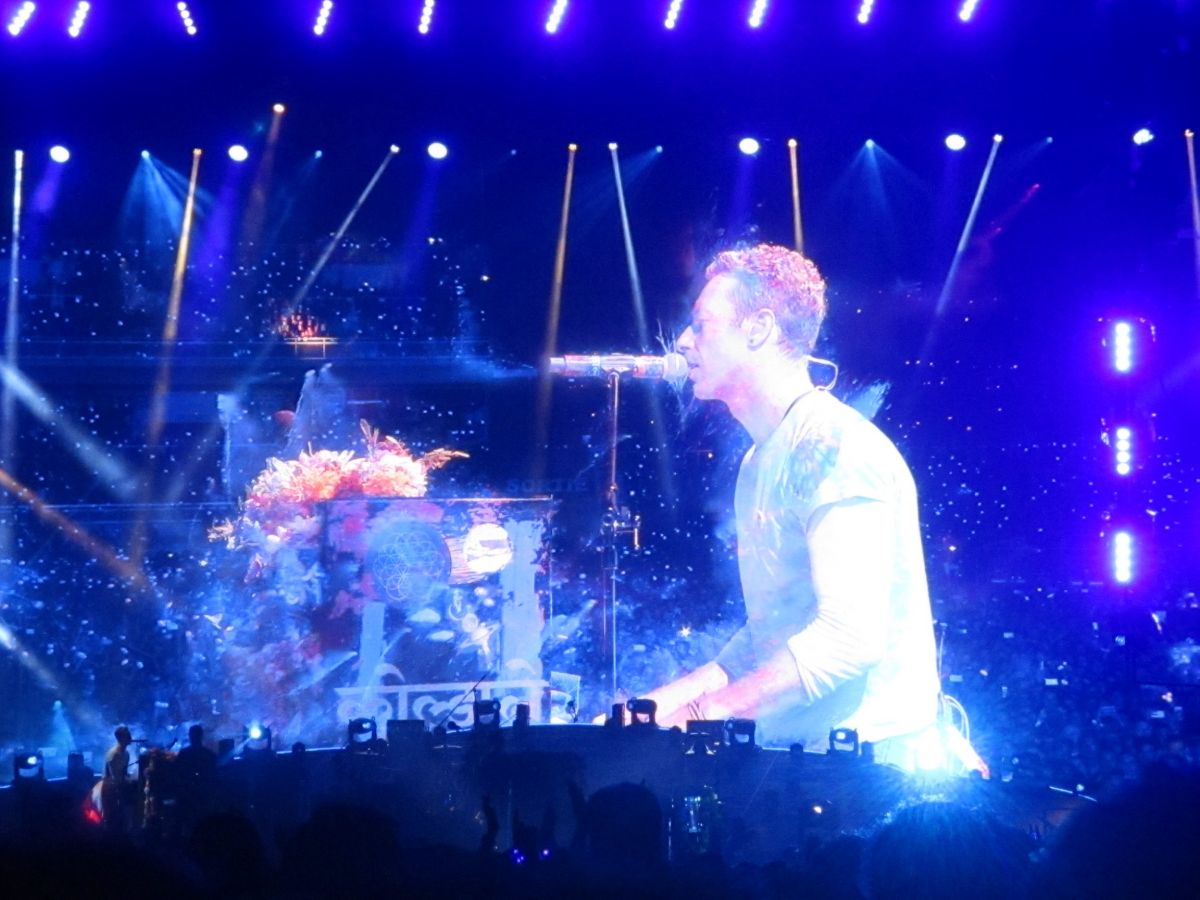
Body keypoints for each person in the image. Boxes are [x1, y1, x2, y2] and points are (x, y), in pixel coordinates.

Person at [645, 243, 941, 767]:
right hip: (813, 764)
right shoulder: (760, 459)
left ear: (758, 329)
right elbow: (768, 638)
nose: (685, 341)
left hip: (868, 773)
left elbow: (849, 640)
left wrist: (702, 716)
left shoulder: (834, 449)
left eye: (702, 325)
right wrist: (647, 713)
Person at [100, 724, 137, 830]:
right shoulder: (114, 755)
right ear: (120, 738)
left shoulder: (126, 753)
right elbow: (115, 779)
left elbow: (123, 774)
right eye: (127, 735)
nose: (130, 737)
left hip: (119, 790)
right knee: (114, 822)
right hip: (111, 793)